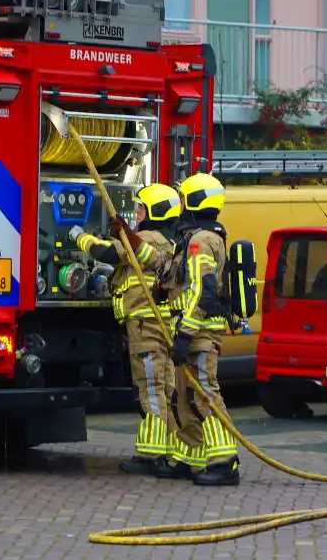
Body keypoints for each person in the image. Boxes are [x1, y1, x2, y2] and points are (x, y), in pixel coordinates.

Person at [121, 171, 239, 486]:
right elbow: (165, 268)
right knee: (185, 398)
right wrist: (132, 239)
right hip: (189, 333)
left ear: (196, 203)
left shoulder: (201, 242)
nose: (180, 206)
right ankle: (191, 456)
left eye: (185, 199)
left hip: (199, 334)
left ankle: (224, 460)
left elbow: (204, 291)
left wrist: (185, 335)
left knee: (203, 395)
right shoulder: (194, 239)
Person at [69, 184, 181, 477]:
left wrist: (79, 236)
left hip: (145, 326)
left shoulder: (146, 238)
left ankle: (154, 454)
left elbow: (106, 252)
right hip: (162, 325)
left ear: (155, 211)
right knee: (165, 387)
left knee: (150, 388)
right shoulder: (172, 242)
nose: (138, 212)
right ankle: (162, 448)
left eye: (142, 207)